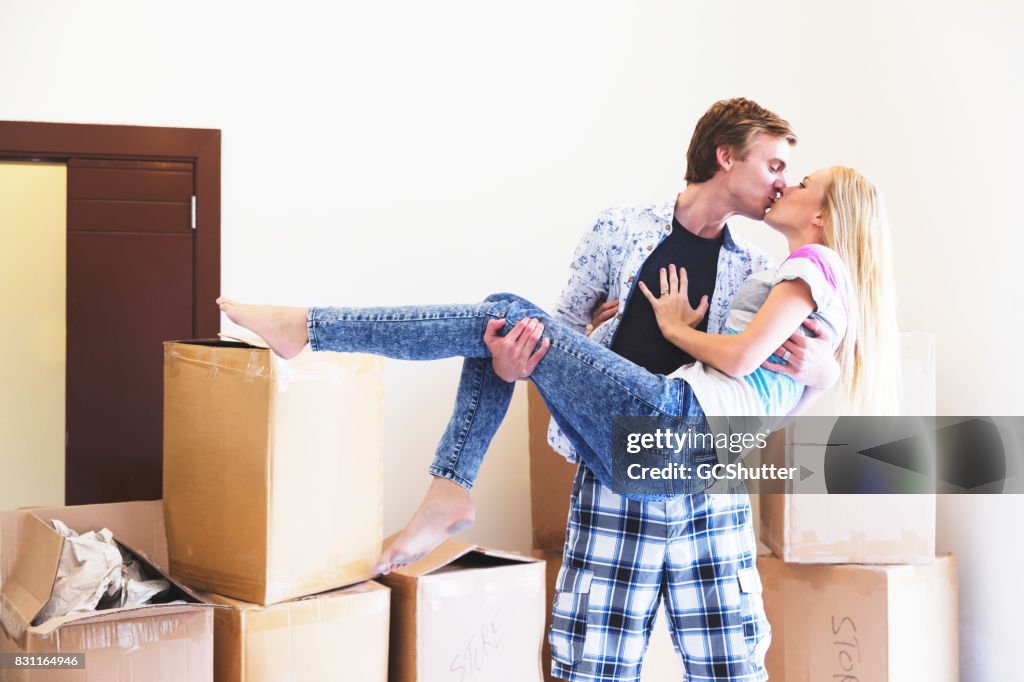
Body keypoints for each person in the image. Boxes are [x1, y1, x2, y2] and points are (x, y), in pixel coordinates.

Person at [217, 162, 899, 680]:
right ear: (729, 157)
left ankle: (320, 340)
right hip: (622, 464)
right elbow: (562, 340)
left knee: (730, 664)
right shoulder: (621, 232)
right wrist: (521, 366)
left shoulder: (770, 264)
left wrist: (822, 373)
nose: (784, 179)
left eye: (797, 173)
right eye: (777, 161)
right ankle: (440, 479)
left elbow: (757, 388)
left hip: (700, 476)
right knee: (504, 325)